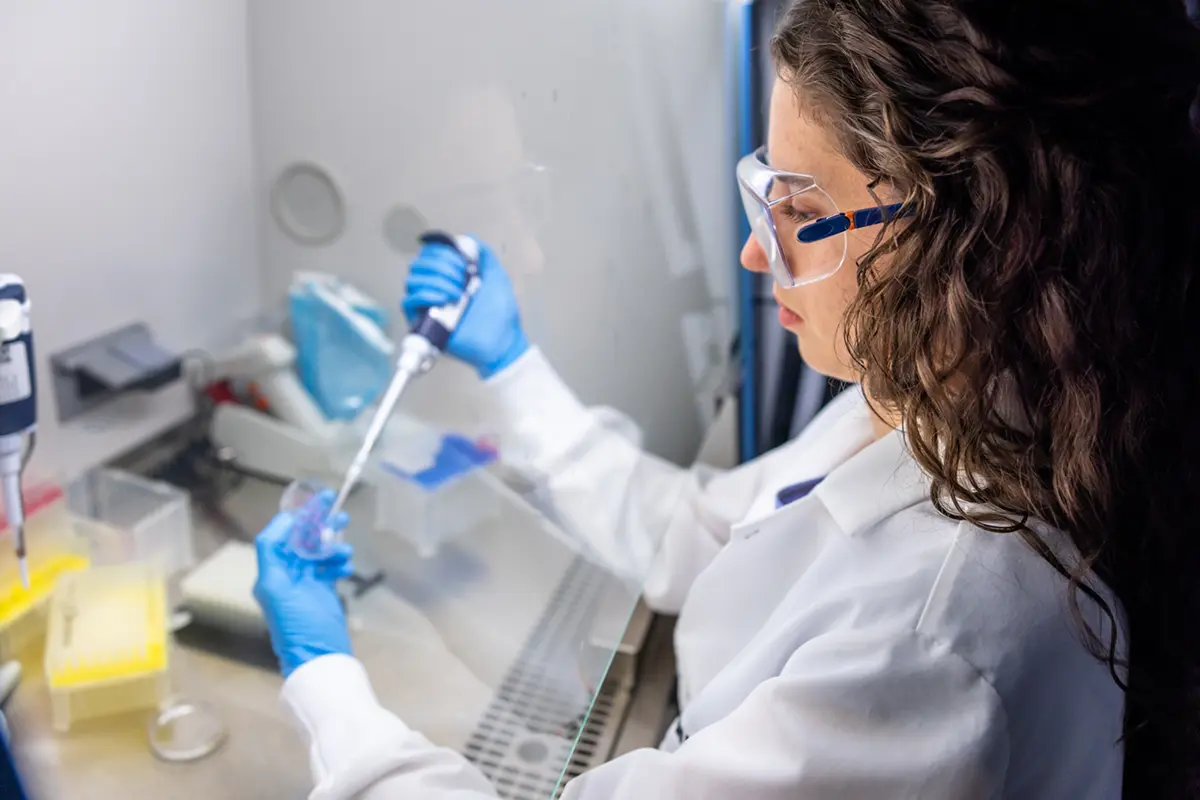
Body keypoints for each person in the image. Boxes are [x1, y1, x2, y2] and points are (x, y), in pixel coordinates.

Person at [253, 0, 1200, 796]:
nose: (758, 252)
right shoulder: (935, 398)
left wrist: (327, 686)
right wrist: (511, 365)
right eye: (764, 198)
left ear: (979, 233)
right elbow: (703, 540)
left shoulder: (937, 640)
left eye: (802, 212)